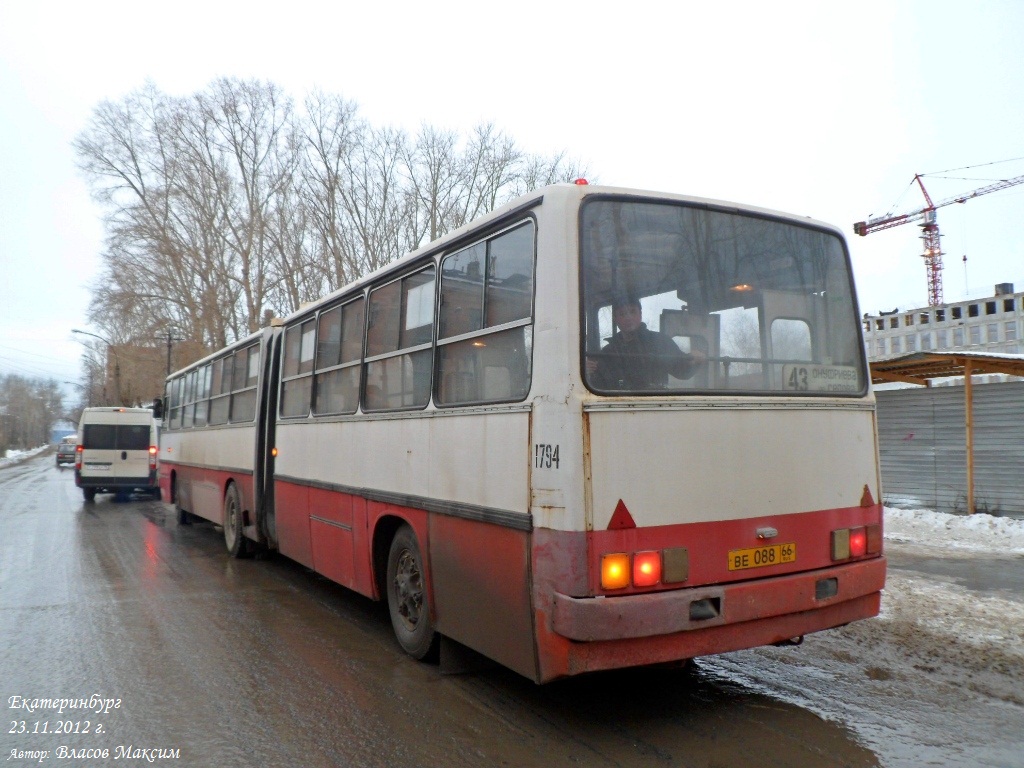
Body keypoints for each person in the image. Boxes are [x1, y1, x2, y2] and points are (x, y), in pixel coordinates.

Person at [586, 297, 706, 390]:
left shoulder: (659, 341)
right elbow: (599, 384)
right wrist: (588, 371)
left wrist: (694, 360)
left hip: (652, 404)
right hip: (617, 406)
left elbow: (682, 372)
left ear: (640, 314)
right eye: (622, 314)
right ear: (615, 319)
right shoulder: (608, 351)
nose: (628, 318)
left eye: (633, 312)